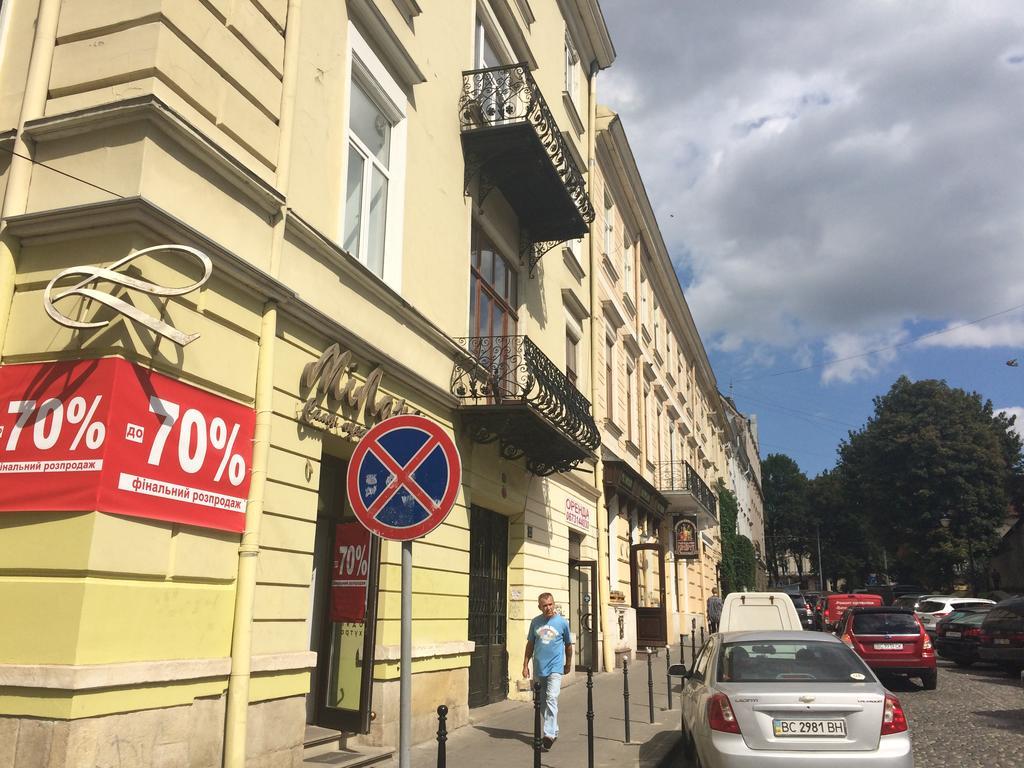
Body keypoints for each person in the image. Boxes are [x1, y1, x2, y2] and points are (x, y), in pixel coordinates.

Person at [522, 592, 573, 751]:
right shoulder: (535, 622)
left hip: (555, 668)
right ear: (539, 607)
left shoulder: (562, 622)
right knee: (542, 702)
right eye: (545, 605)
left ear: (554, 604)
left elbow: (568, 645)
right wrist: (525, 665)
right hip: (539, 667)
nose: (548, 608)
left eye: (550, 604)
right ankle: (554, 728)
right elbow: (530, 644)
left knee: (551, 698)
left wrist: (568, 664)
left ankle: (549, 734)